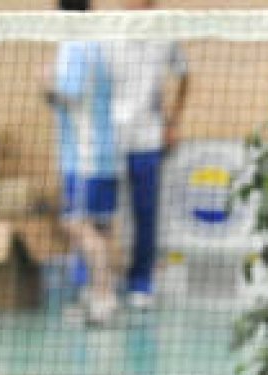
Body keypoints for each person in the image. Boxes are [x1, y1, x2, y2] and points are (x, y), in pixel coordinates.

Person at [106, 0, 188, 311]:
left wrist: (173, 122)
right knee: (102, 216)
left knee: (146, 215)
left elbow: (184, 75)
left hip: (148, 140)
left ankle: (141, 283)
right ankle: (100, 286)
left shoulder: (164, 33)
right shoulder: (107, 30)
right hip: (108, 141)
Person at [46, 0, 120, 326]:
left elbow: (69, 94)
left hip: (84, 157)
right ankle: (99, 295)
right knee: (102, 230)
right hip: (107, 152)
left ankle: (103, 298)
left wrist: (45, 84)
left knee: (75, 224)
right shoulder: (100, 43)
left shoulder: (73, 45)